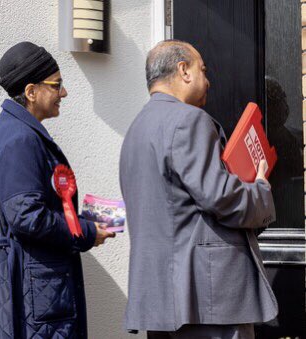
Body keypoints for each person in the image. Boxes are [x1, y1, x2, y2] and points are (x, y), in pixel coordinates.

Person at [119, 40, 278, 339]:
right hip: (206, 298)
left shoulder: (135, 131)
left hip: (160, 299)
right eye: (202, 70)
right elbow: (221, 197)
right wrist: (261, 189)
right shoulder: (189, 120)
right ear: (183, 71)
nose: (208, 80)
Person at [0, 41, 115, 339]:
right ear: (31, 91)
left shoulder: (10, 134)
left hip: (28, 296)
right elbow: (27, 217)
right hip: (33, 304)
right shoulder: (19, 140)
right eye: (57, 85)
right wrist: (86, 232)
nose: (64, 93)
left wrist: (83, 222)